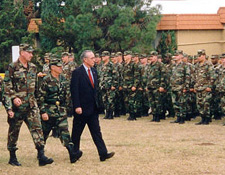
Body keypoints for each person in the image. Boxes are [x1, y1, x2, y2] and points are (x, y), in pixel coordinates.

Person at [2, 43, 53, 166]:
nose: (31, 55)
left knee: (37, 129)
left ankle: (41, 155)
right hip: (17, 107)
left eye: (32, 52)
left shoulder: (33, 67)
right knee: (14, 131)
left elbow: (35, 87)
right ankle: (12, 157)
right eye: (29, 52)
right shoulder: (12, 67)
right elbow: (6, 86)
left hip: (31, 105)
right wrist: (14, 98)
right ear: (22, 53)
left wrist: (39, 103)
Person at [70, 50, 115, 162]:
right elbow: (74, 90)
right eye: (92, 58)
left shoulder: (94, 71)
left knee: (96, 132)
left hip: (93, 108)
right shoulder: (77, 72)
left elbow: (95, 90)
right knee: (76, 133)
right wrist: (77, 106)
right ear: (85, 59)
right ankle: (74, 153)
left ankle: (103, 153)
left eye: (94, 58)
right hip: (81, 108)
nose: (94, 60)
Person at [37, 55, 77, 163]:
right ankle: (40, 155)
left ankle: (72, 153)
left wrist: (66, 107)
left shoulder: (63, 78)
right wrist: (43, 112)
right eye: (58, 66)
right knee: (44, 134)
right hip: (49, 110)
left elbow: (66, 94)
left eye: (61, 66)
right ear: (52, 67)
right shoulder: (46, 80)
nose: (61, 68)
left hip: (60, 110)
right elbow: (40, 98)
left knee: (64, 131)